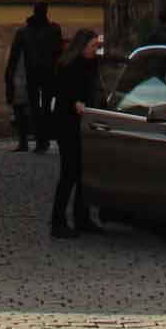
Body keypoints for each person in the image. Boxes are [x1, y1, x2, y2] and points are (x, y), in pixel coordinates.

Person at [48, 28, 102, 239]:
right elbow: (64, 94)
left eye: (97, 46)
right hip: (67, 126)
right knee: (69, 173)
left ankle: (82, 217)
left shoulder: (89, 65)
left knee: (82, 173)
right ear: (82, 46)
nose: (95, 50)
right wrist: (76, 103)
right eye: (92, 46)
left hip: (82, 125)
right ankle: (58, 221)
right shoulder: (68, 66)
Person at [5, 4, 62, 153]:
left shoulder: (31, 31)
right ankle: (40, 141)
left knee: (42, 110)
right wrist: (11, 77)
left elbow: (58, 53)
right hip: (34, 76)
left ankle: (41, 141)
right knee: (37, 110)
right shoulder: (26, 32)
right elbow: (14, 56)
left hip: (43, 75)